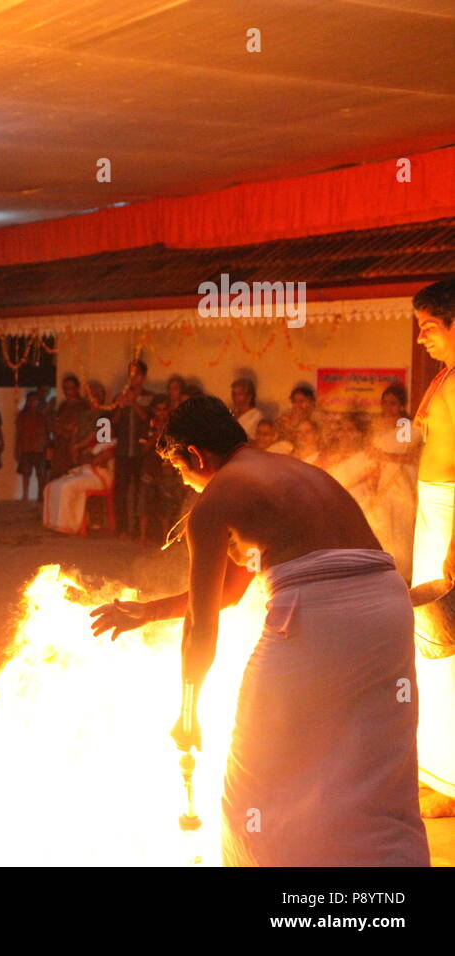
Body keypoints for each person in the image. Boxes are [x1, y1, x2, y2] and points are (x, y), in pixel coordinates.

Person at [90, 396, 428, 866]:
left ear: (195, 455)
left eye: (181, 472)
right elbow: (228, 592)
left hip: (317, 617)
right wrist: (146, 613)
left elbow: (202, 627)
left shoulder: (217, 500)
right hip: (387, 608)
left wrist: (188, 713)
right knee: (377, 780)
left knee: (255, 783)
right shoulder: (285, 471)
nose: (186, 483)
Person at [410, 276, 455, 817]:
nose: (422, 338)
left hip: (449, 515)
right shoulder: (447, 376)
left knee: (447, 642)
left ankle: (450, 780)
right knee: (433, 643)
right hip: (435, 509)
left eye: (429, 327)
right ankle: (441, 771)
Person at [367, 384, 417, 582]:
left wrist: (383, 456)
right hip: (382, 484)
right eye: (385, 403)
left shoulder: (405, 425)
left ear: (402, 406)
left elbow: (407, 456)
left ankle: (404, 576)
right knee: (384, 530)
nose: (388, 407)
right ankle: (385, 575)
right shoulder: (377, 425)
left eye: (393, 403)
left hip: (401, 482)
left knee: (402, 531)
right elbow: (371, 456)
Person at [41, 430, 115, 535]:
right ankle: (54, 523)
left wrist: (88, 455)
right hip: (88, 472)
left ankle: (67, 525)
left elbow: (96, 461)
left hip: (101, 478)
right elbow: (79, 458)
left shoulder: (113, 444)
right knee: (52, 486)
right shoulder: (96, 443)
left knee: (66, 487)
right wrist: (85, 448)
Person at [112, 360, 153, 537]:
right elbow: (110, 423)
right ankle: (121, 529)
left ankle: (138, 530)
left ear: (143, 378)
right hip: (122, 451)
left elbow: (148, 419)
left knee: (139, 492)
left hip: (140, 451)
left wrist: (134, 403)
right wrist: (121, 407)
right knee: (121, 491)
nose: (132, 377)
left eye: (136, 374)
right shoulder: (119, 396)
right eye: (130, 374)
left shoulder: (149, 397)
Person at [136, 394, 182, 545]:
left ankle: (165, 538)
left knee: (166, 504)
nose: (161, 413)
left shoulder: (174, 425)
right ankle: (142, 537)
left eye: (164, 409)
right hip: (149, 468)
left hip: (167, 470)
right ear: (154, 410)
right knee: (144, 502)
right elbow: (143, 448)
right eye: (158, 410)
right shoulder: (148, 424)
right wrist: (157, 434)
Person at [47, 374, 88, 479]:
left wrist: (63, 428)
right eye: (65, 388)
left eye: (70, 388)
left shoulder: (82, 406)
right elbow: (56, 424)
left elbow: (77, 427)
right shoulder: (63, 405)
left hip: (73, 448)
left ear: (77, 388)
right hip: (59, 448)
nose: (67, 391)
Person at [14, 388, 48, 502]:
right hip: (26, 448)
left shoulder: (41, 416)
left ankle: (40, 495)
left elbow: (46, 432)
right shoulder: (22, 416)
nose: (32, 403)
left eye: (35, 400)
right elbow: (18, 434)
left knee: (41, 474)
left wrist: (47, 447)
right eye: (30, 400)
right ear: (27, 401)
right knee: (26, 474)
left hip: (39, 448)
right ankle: (25, 495)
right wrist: (17, 449)